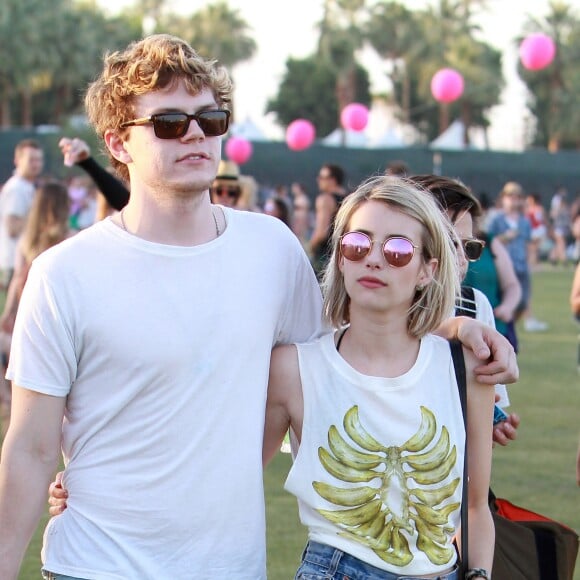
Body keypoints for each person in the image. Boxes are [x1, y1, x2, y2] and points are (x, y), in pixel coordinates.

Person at [7, 34, 516, 580]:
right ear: (119, 143)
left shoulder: (270, 249)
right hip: (94, 564)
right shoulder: (63, 274)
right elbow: (31, 450)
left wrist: (458, 327)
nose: (196, 133)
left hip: (230, 567)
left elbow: (352, 335)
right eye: (170, 123)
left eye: (211, 118)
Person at [263, 175, 495, 580]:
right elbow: (237, 479)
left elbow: (475, 507)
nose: (373, 259)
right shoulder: (291, 369)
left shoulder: (466, 367)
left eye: (398, 250)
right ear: (339, 257)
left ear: (427, 269)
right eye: (357, 244)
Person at [410, 174, 520, 446]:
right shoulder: (377, 305)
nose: (459, 256)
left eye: (467, 245)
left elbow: (484, 397)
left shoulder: (474, 305)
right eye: (448, 241)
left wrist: (492, 420)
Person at [488, 181, 547, 333]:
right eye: (510, 196)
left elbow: (528, 244)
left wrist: (531, 261)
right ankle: (505, 328)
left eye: (517, 196)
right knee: (505, 300)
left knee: (522, 301)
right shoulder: (496, 219)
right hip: (503, 268)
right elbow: (487, 240)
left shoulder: (524, 221)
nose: (514, 200)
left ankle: (513, 324)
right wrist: (504, 237)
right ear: (504, 198)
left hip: (521, 267)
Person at [0, 139, 44, 289]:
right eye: (31, 160)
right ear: (17, 160)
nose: (36, 164)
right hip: (16, 263)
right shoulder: (17, 188)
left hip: (24, 260)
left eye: (38, 159)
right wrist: (41, 219)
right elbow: (12, 227)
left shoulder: (28, 186)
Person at [310, 163, 347, 278]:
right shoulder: (350, 199)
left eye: (322, 177)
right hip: (344, 255)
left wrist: (311, 246)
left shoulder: (325, 199)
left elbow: (321, 232)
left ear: (332, 180)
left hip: (325, 255)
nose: (318, 180)